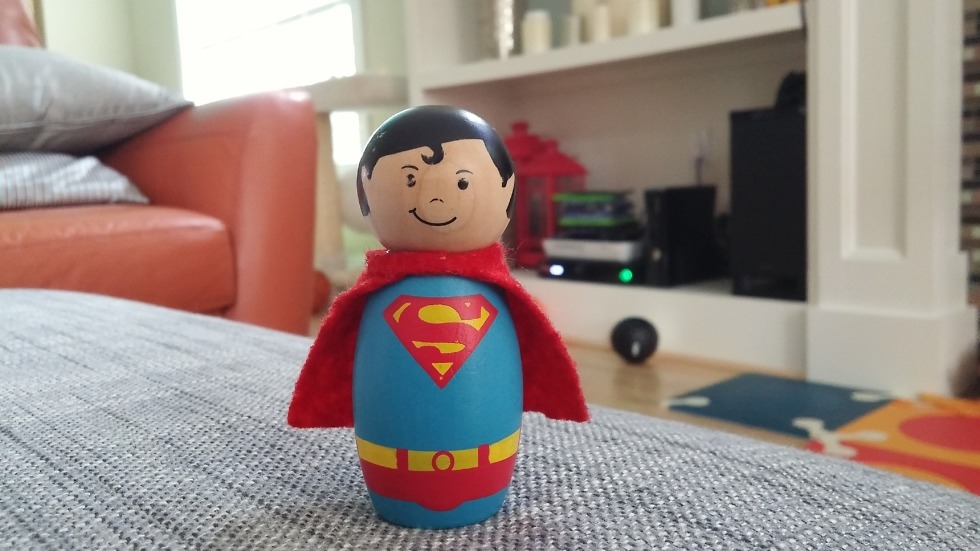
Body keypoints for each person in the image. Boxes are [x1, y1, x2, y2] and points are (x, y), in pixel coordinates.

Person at [288, 105, 588, 528]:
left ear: (506, 190)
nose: (435, 197)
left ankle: (477, 483)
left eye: (463, 182)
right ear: (367, 191)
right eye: (410, 180)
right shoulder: (384, 294)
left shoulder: (481, 291)